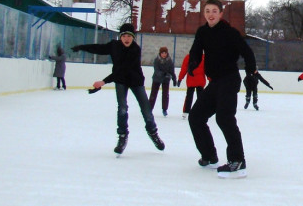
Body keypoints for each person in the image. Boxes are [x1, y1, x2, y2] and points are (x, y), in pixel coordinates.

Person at [187, 0, 256, 179]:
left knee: (224, 118)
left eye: (214, 11)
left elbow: (247, 52)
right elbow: (196, 50)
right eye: (207, 11)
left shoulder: (230, 32)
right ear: (204, 13)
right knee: (196, 117)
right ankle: (209, 156)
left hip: (229, 79)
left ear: (220, 14)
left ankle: (237, 162)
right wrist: (193, 62)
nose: (211, 14)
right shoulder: (202, 32)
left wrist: (250, 72)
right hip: (215, 81)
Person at [71, 23, 165, 155]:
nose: (126, 39)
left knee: (146, 109)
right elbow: (99, 48)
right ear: (120, 37)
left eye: (129, 36)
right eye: (124, 36)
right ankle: (122, 136)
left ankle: (153, 133)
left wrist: (103, 82)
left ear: (133, 38)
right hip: (120, 81)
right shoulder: (114, 46)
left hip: (135, 81)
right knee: (122, 108)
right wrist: (82, 47)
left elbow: (123, 69)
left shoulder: (135, 50)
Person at [149, 47, 177, 117]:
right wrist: (163, 74)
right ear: (160, 53)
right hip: (156, 79)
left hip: (166, 79)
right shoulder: (157, 60)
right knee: (153, 94)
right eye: (162, 53)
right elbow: (156, 70)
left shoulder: (169, 61)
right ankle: (149, 109)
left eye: (165, 53)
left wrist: (174, 79)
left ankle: (164, 109)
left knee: (165, 95)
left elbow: (172, 71)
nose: (164, 54)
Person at [177, 53, 207, 119]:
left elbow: (184, 69)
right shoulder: (203, 57)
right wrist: (180, 78)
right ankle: (201, 111)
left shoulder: (189, 57)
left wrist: (180, 78)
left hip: (194, 80)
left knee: (190, 97)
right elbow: (208, 69)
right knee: (199, 97)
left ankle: (186, 111)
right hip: (198, 80)